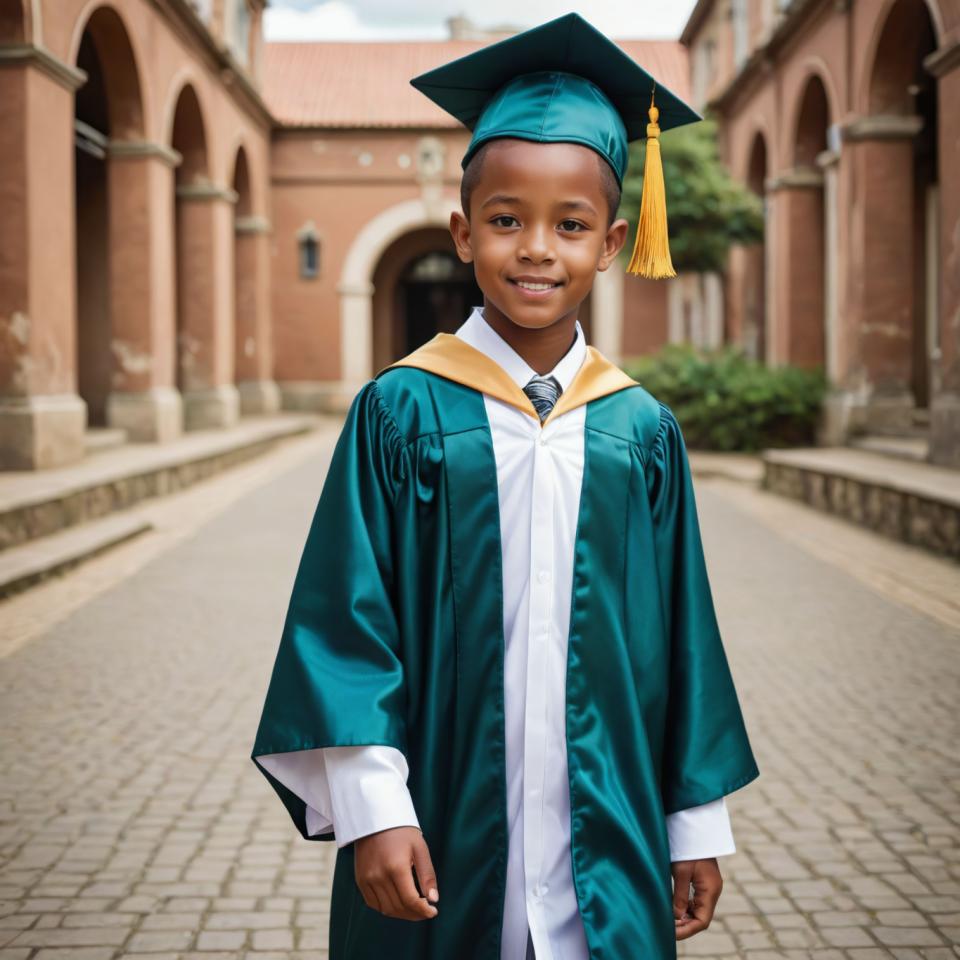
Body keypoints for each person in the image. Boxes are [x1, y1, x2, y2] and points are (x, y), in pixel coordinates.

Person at [250, 12, 760, 960]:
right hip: (436, 824)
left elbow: (681, 634)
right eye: (506, 220)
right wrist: (371, 807)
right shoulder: (398, 413)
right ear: (462, 234)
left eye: (569, 225)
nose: (537, 248)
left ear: (611, 243)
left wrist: (695, 823)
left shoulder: (639, 430)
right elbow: (345, 622)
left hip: (609, 836)